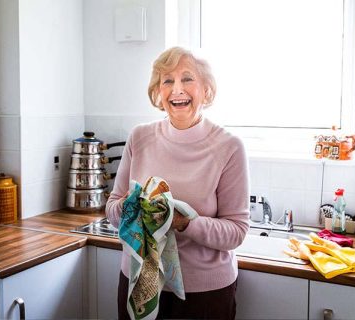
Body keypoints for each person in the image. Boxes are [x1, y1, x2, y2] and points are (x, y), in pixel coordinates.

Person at [105, 46, 250, 319]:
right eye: (167, 80)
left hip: (203, 294)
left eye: (187, 79)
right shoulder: (139, 137)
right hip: (138, 284)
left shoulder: (229, 147)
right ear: (158, 92)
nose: (177, 89)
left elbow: (236, 231)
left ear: (206, 90)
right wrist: (130, 207)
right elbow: (112, 210)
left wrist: (183, 223)